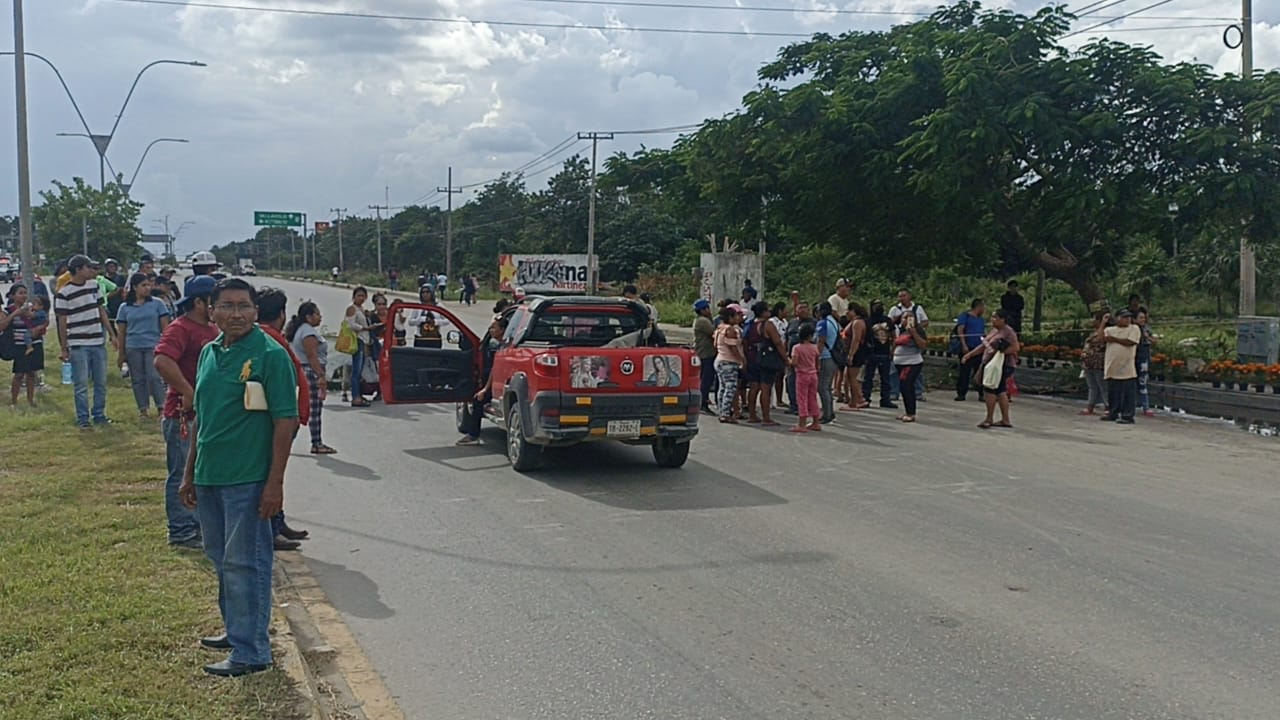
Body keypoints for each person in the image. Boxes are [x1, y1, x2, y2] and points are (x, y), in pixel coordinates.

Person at [179, 278, 298, 677]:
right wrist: (189, 472)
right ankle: (236, 630)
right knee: (220, 558)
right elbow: (202, 416)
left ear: (254, 311)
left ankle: (251, 651)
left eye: (244, 306)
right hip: (210, 474)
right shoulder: (211, 352)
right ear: (210, 310)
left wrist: (275, 482)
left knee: (246, 562)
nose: (236, 314)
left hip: (248, 478)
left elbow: (286, 420)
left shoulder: (269, 354)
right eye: (227, 306)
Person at [154, 275, 219, 550]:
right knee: (182, 472)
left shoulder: (213, 330)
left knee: (201, 473)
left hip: (207, 415)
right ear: (199, 302)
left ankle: (197, 526)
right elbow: (162, 360)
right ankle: (180, 530)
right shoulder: (181, 328)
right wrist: (187, 390)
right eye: (215, 302)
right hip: (182, 415)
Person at [256, 287, 312, 551]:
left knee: (276, 473)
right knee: (272, 473)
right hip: (279, 419)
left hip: (287, 417)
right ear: (281, 313)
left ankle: (278, 521)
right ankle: (271, 527)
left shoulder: (273, 337)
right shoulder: (269, 340)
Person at [56, 255, 115, 429]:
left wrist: (111, 334)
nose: (92, 271)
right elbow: (62, 321)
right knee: (81, 384)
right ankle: (83, 418)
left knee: (100, 382)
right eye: (88, 267)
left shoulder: (94, 286)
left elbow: (101, 310)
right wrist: (64, 347)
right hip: (78, 343)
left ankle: (99, 414)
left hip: (97, 340)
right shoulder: (64, 293)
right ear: (79, 269)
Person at [115, 272, 171, 418]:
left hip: (153, 345)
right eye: (143, 285)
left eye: (148, 285)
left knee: (154, 377)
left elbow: (165, 327)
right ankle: (143, 409)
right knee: (138, 379)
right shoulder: (125, 308)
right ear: (135, 287)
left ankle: (161, 407)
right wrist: (121, 353)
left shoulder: (157, 304)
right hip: (133, 346)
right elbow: (122, 332)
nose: (147, 288)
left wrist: (167, 347)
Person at [288, 301, 335, 455]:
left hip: (305, 370)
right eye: (317, 314)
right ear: (308, 317)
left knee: (303, 409)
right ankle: (316, 443)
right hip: (310, 371)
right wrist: (320, 376)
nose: (320, 317)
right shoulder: (308, 333)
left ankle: (287, 441)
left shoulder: (302, 330)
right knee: (314, 409)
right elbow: (312, 356)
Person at [457, 315, 509, 445]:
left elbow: (494, 370)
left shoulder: (504, 347)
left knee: (478, 400)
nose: (490, 330)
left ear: (502, 330)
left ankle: (473, 435)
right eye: (490, 328)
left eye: (493, 327)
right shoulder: (497, 344)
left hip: (501, 386)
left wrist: (484, 390)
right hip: (498, 384)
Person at [964, 309, 1019, 428]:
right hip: (989, 363)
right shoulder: (994, 331)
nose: (992, 320)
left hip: (1002, 365)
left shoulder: (1008, 332)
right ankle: (1005, 419)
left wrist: (999, 352)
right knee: (1000, 391)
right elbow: (984, 345)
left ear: (1002, 319)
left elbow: (1015, 348)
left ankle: (989, 418)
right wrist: (970, 354)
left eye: (995, 318)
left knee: (991, 389)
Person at [743, 300, 788, 426]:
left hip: (752, 358)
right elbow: (778, 342)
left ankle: (752, 414)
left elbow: (745, 342)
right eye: (768, 310)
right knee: (766, 388)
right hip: (765, 360)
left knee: (753, 388)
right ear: (763, 312)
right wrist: (785, 358)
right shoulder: (767, 325)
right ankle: (766, 417)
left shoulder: (750, 324)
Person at [3, 284, 46, 407]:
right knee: (19, 374)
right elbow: (2, 326)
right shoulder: (8, 310)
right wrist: (14, 314)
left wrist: (39, 327)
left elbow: (44, 320)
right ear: (13, 295)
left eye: (25, 293)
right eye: (20, 293)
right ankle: (14, 401)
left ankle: (30, 400)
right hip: (19, 345)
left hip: (35, 343)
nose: (23, 296)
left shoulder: (33, 309)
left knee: (31, 373)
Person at [1102, 309, 1141, 424]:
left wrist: (1114, 339)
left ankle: (1127, 415)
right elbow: (1100, 338)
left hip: (1127, 367)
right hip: (1112, 366)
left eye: (1128, 317)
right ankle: (1113, 413)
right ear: (1117, 318)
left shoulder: (1134, 328)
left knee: (1128, 394)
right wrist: (1103, 323)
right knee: (1113, 393)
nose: (1127, 319)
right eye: (1124, 317)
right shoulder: (1110, 329)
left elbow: (1130, 342)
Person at [889, 289, 928, 403]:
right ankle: (894, 392)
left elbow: (926, 321)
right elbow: (889, 323)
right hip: (898, 342)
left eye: (904, 295)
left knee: (916, 373)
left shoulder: (917, 308)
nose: (902, 298)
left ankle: (918, 392)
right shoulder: (895, 309)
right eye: (900, 296)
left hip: (913, 348)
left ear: (909, 296)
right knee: (893, 371)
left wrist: (915, 327)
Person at [892, 307, 927, 423]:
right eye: (904, 318)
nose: (906, 320)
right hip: (899, 362)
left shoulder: (918, 330)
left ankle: (911, 413)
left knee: (906, 385)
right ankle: (907, 411)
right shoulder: (900, 330)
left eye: (909, 317)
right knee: (903, 387)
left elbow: (923, 345)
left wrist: (914, 333)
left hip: (912, 362)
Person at [713, 305, 746, 423]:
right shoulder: (730, 330)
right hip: (729, 361)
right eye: (736, 316)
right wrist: (741, 359)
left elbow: (715, 345)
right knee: (730, 387)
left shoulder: (719, 329)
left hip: (720, 359)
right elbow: (733, 347)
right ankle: (726, 413)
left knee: (722, 387)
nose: (738, 318)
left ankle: (722, 411)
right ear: (731, 317)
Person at [862, 300, 895, 409]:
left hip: (885, 352)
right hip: (872, 352)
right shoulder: (868, 321)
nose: (879, 307)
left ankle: (885, 399)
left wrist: (893, 349)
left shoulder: (887, 320)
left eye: (880, 305)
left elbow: (893, 335)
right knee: (868, 377)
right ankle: (866, 398)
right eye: (876, 306)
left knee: (886, 378)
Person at [789, 323, 821, 433]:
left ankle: (801, 423)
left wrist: (788, 361)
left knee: (802, 399)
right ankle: (816, 422)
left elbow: (794, 362)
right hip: (813, 374)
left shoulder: (797, 348)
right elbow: (817, 362)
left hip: (802, 375)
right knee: (812, 398)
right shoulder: (814, 347)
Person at [953, 298, 987, 402]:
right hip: (968, 347)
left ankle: (981, 393)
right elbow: (960, 330)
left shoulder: (981, 320)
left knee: (980, 370)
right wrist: (964, 345)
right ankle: (961, 393)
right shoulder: (965, 316)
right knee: (964, 371)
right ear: (978, 306)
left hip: (979, 348)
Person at [344, 286, 372, 407]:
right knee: (356, 372)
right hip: (357, 341)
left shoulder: (361, 309)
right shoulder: (352, 309)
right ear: (354, 297)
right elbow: (350, 325)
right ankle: (355, 397)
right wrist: (365, 328)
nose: (360, 298)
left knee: (359, 371)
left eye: (363, 296)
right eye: (358, 295)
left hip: (364, 341)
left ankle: (358, 395)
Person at [814, 302, 840, 424]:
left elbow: (820, 341)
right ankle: (830, 411)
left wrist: (816, 358)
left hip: (825, 356)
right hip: (833, 357)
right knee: (827, 387)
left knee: (822, 387)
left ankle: (826, 414)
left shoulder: (822, 323)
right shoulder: (833, 322)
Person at [839, 303, 869, 411]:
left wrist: (851, 355)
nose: (846, 313)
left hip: (856, 352)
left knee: (853, 378)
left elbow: (856, 340)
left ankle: (856, 402)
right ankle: (857, 399)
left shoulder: (857, 323)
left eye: (848, 310)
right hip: (851, 352)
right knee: (847, 377)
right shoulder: (853, 322)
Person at [784, 302, 812, 414]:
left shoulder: (812, 323)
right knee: (791, 381)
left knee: (805, 384)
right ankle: (793, 405)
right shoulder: (792, 323)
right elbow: (786, 338)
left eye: (805, 308)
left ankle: (804, 406)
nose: (803, 311)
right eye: (801, 308)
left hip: (806, 359)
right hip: (792, 357)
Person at [1079, 312, 1109, 416]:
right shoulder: (1092, 333)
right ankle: (1090, 406)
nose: (1092, 321)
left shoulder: (1105, 332)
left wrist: (1103, 324)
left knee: (1103, 387)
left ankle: (1108, 406)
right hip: (1088, 364)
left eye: (1095, 319)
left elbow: (1100, 341)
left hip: (1098, 363)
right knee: (1092, 387)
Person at [691, 299, 717, 414]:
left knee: (705, 378)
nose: (709, 311)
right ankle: (703, 402)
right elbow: (714, 333)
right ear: (702, 310)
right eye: (707, 309)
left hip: (704, 352)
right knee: (706, 379)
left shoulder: (701, 320)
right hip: (705, 353)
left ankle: (703, 400)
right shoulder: (703, 321)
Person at [1136, 307, 1157, 417]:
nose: (1142, 319)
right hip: (1132, 357)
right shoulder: (1132, 329)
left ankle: (1146, 406)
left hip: (1143, 357)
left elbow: (1155, 341)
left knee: (1143, 382)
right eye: (1140, 317)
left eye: (1144, 317)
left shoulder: (1147, 329)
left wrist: (1147, 337)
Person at [770, 302, 788, 407]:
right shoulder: (772, 322)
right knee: (772, 377)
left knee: (780, 376)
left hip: (783, 351)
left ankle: (779, 399)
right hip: (774, 351)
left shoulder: (785, 322)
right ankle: (770, 401)